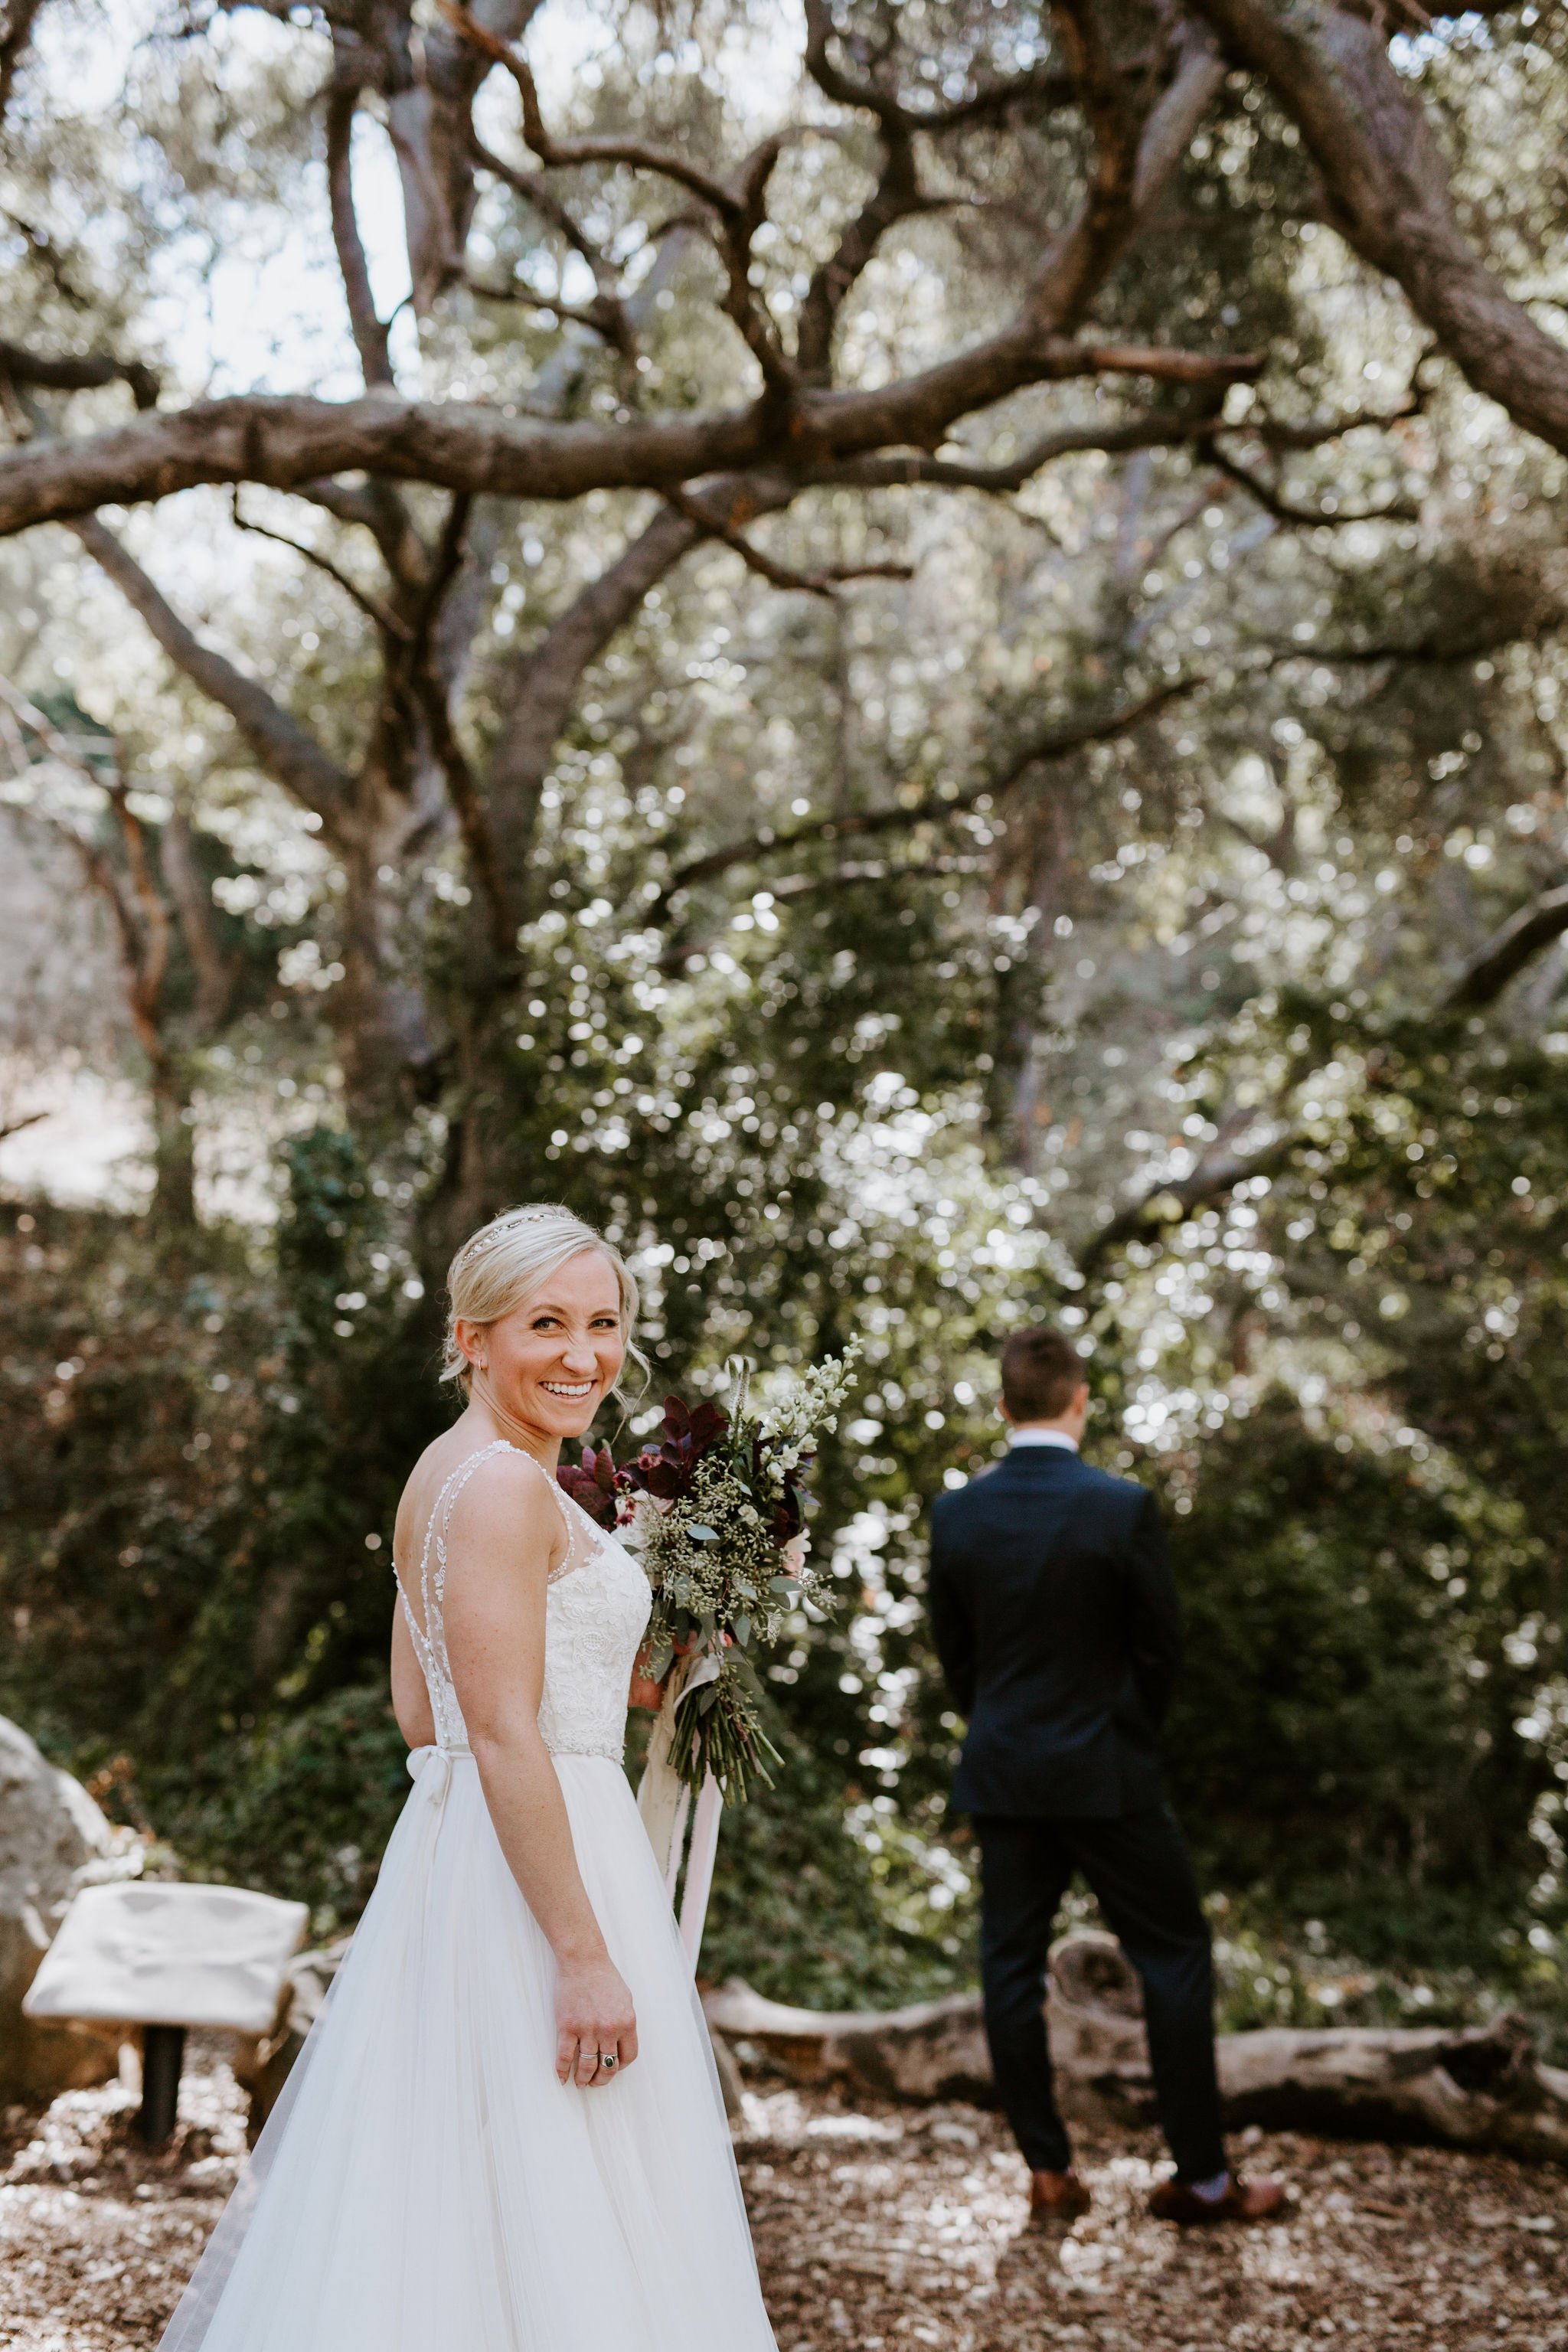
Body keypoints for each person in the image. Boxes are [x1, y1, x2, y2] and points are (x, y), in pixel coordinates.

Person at [157, 1204, 777, 2352]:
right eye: (546, 1323)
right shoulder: (500, 1487)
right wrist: (583, 1953)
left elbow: (424, 1706)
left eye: (604, 1323)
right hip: (543, 1869)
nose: (584, 1355)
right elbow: (496, 1729)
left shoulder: (448, 1474)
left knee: (473, 2197)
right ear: (473, 1335)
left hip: (473, 1854)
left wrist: (637, 1685)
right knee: (561, 2188)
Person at [927, 1323, 1284, 2229]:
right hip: (1108, 1771)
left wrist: (1003, 1728)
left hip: (1004, 1773)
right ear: (1079, 1402)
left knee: (1008, 1971)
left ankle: (1047, 2173)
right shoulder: (1119, 1507)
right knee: (1171, 1957)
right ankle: (1200, 2179)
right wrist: (1122, 1734)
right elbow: (1159, 1648)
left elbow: (955, 1658)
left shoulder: (956, 1514)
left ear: (1003, 1406)